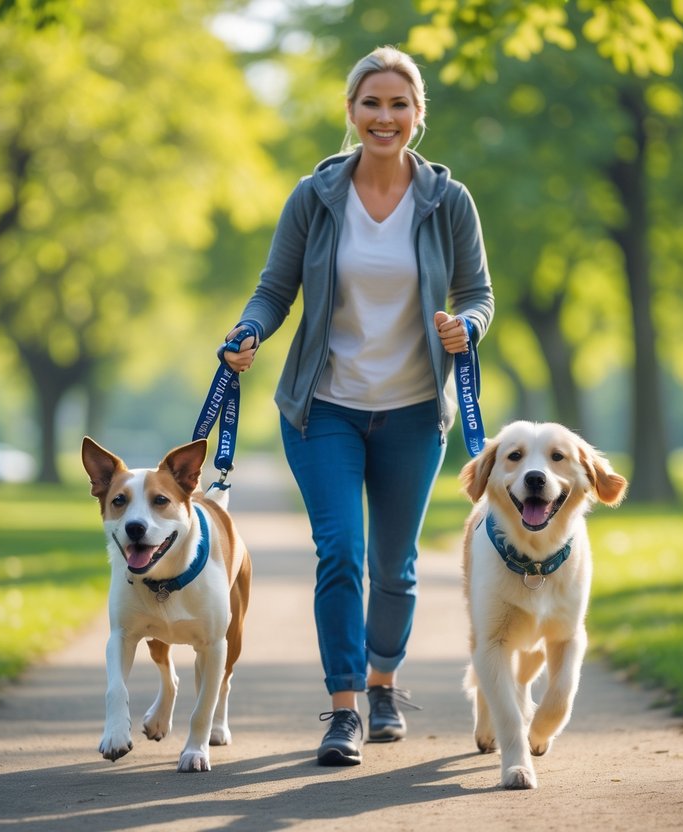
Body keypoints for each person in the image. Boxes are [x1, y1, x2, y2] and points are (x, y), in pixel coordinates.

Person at [221, 45, 494, 767]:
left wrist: (464, 327)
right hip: (323, 409)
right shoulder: (314, 196)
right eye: (370, 103)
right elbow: (274, 287)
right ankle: (343, 708)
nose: (383, 116)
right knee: (339, 551)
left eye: (397, 104)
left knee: (395, 564)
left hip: (411, 411)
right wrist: (248, 330)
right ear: (350, 112)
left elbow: (477, 294)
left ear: (416, 116)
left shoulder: (447, 200)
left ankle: (382, 687)